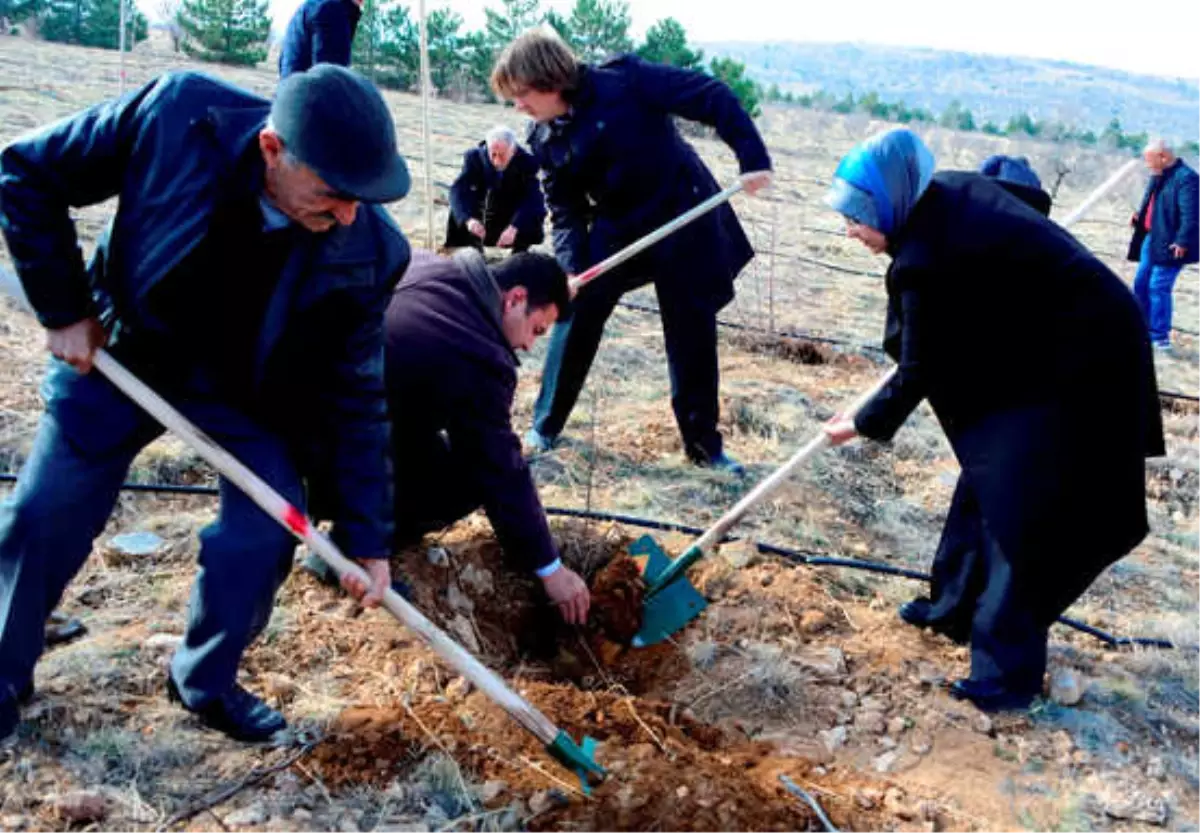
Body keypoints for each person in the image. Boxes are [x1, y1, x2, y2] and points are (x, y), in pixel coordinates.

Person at [0, 64, 412, 743]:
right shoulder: (178, 117)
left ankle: (204, 678)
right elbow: (25, 171)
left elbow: (358, 395)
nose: (347, 214)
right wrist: (64, 306)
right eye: (335, 193)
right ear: (273, 150)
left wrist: (369, 537)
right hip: (124, 346)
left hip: (242, 393)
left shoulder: (373, 250)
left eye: (363, 197)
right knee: (45, 512)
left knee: (262, 532)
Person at [822, 128, 1164, 712]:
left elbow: (917, 371)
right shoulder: (940, 196)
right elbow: (1021, 198)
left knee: (1023, 508)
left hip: (1086, 360)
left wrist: (859, 422)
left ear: (891, 205)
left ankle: (1007, 680)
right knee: (988, 470)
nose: (849, 230)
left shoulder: (923, 261)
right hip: (1039, 346)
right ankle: (951, 607)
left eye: (858, 217)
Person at [490, 28, 774, 475]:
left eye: (522, 95)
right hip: (619, 227)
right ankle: (545, 426)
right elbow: (563, 210)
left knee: (690, 332)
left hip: (684, 213)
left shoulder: (626, 81)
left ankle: (705, 449)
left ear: (550, 81)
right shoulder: (545, 139)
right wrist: (571, 270)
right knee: (576, 310)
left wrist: (751, 156)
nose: (518, 106)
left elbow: (711, 96)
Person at [303, 249, 591, 624]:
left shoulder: (427, 264)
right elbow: (500, 469)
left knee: (432, 444)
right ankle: (349, 552)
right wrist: (550, 568)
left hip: (294, 419)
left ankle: (343, 539)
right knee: (471, 478)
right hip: (326, 452)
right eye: (536, 329)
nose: (529, 346)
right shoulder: (481, 356)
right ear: (516, 298)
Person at [1128, 137, 1200, 351]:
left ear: (1164, 156)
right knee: (1141, 283)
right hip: (1152, 238)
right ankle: (1140, 327)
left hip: (1172, 243)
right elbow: (1154, 205)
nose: (1147, 165)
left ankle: (1159, 338)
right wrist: (1140, 218)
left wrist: (1182, 240)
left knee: (1158, 287)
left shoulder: (1187, 179)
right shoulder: (1158, 176)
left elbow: (1192, 215)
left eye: (1150, 160)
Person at [444, 126, 546, 254]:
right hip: (483, 212)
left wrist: (514, 227)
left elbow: (533, 200)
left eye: (502, 156)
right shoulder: (474, 157)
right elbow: (457, 190)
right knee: (459, 206)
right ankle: (459, 249)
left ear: (513, 151)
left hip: (509, 211)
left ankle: (520, 252)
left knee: (534, 212)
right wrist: (469, 220)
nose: (497, 162)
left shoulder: (528, 163)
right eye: (493, 155)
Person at [278, 0, 363, 78]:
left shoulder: (310, 6)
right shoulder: (332, 10)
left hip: (289, 90)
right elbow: (330, 79)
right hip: (309, 92)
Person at [978, 154, 1051, 216]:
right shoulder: (1033, 174)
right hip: (1029, 202)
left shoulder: (1004, 160)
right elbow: (1038, 190)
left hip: (1006, 188)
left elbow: (985, 169)